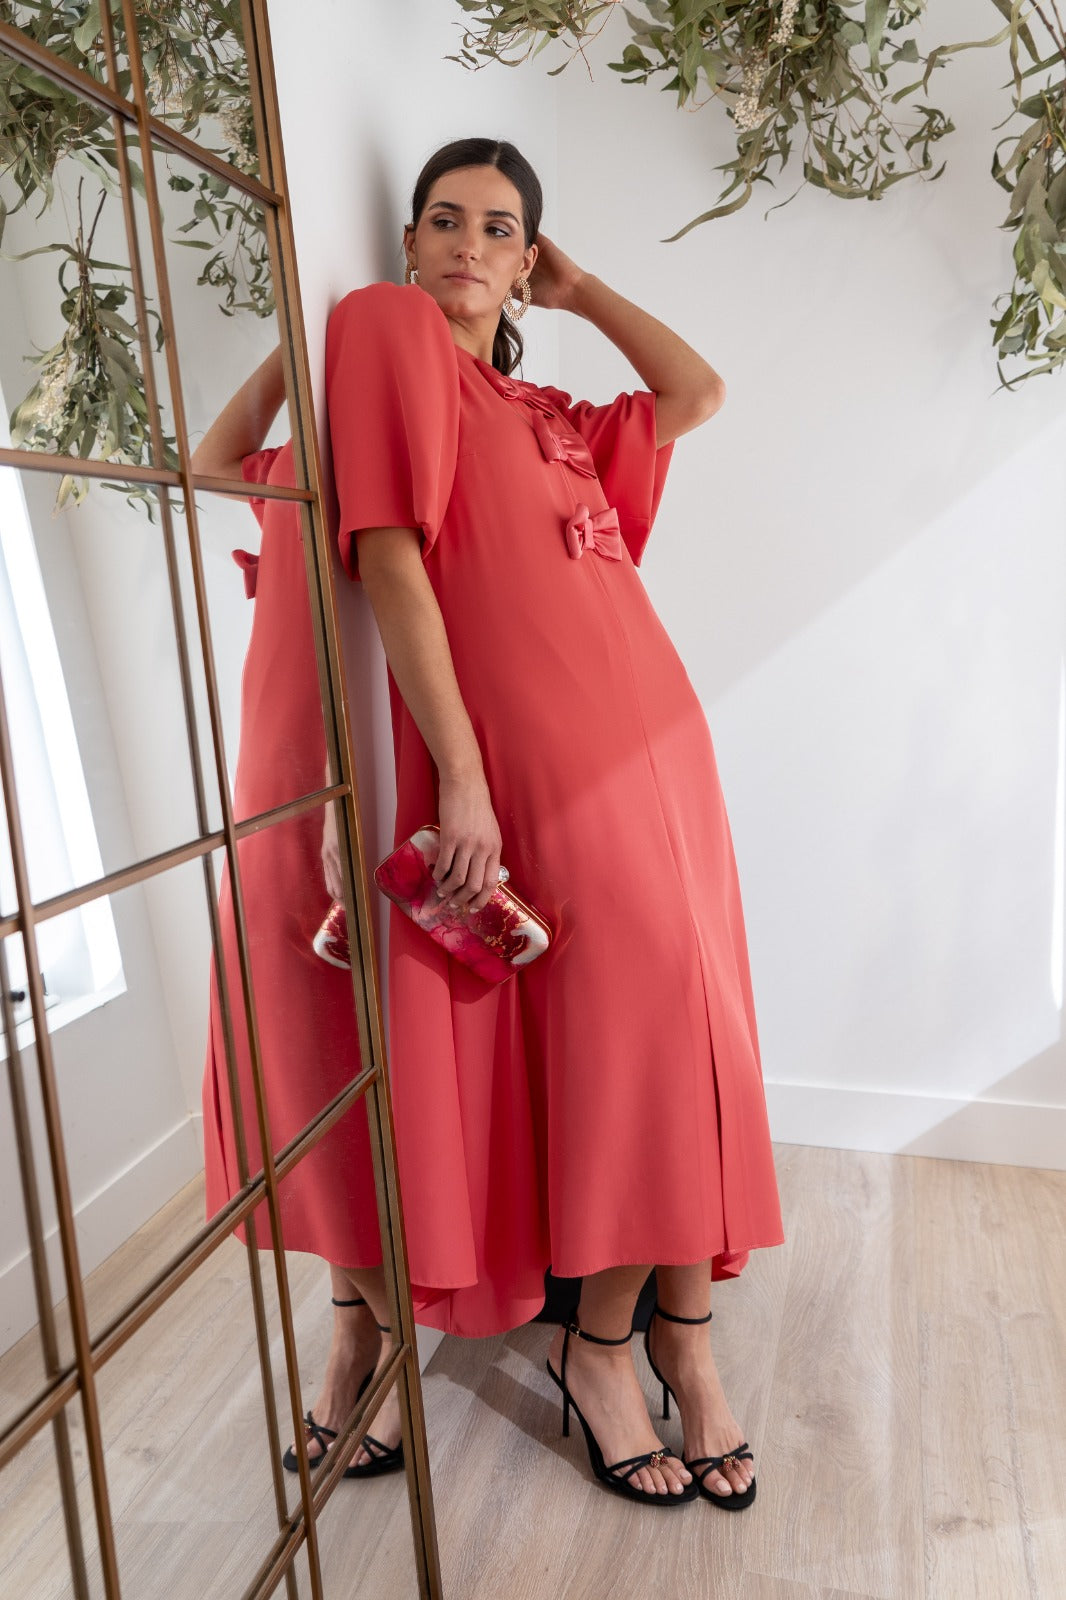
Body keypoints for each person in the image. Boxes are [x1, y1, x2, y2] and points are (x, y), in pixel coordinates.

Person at [325, 135, 785, 1507]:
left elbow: (696, 391)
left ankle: (665, 1339)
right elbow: (389, 562)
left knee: (687, 1030)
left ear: (525, 256)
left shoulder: (551, 411)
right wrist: (461, 778)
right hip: (543, 769)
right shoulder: (399, 368)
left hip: (663, 755)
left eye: (498, 229)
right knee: (636, 1037)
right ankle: (607, 1352)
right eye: (444, 219)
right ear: (408, 244)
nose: (468, 245)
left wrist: (577, 292)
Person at [194, 363, 401, 1476]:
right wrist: (288, 355)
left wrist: (341, 782)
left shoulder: (401, 465)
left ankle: (389, 1334)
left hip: (358, 770)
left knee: (358, 1063)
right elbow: (208, 461)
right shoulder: (291, 467)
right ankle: (357, 1330)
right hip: (273, 781)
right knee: (295, 1063)